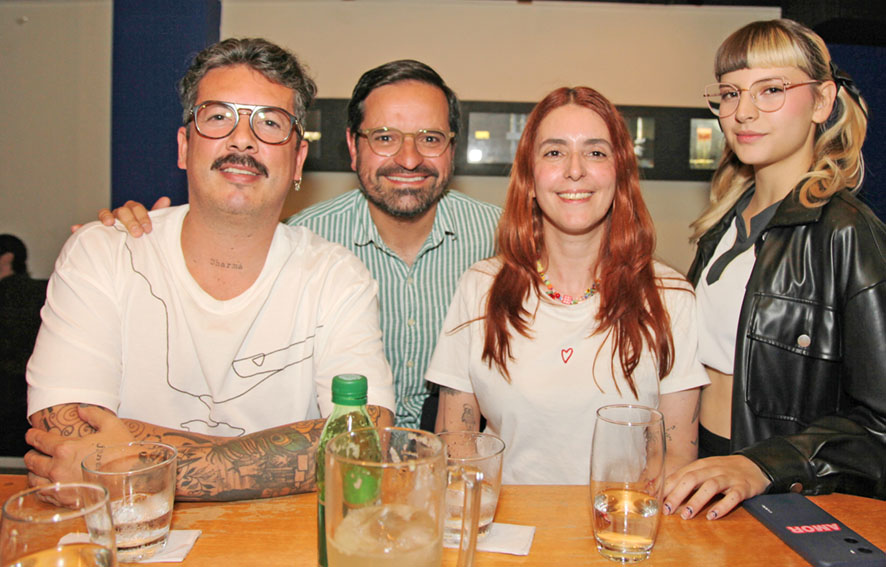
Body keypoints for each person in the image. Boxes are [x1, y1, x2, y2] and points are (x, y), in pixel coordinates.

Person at [24, 38, 395, 501]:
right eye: (218, 117)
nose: (242, 139)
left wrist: (131, 464)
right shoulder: (102, 254)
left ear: (298, 160)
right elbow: (64, 426)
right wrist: (286, 458)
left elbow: (366, 437)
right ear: (184, 146)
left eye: (271, 123)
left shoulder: (337, 277)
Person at [99, 60, 501, 430]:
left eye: (430, 138)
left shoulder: (504, 239)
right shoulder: (302, 243)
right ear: (352, 145)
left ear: (452, 148)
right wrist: (137, 240)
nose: (409, 159)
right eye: (384, 137)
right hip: (336, 467)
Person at [426, 86, 709, 485]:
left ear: (621, 171)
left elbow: (675, 456)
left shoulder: (670, 297)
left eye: (596, 152)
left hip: (618, 531)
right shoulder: (481, 288)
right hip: (500, 532)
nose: (575, 170)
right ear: (529, 174)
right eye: (555, 152)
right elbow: (456, 444)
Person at [663, 19, 886, 521]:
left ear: (823, 101)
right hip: (702, 471)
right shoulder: (723, 224)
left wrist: (761, 466)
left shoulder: (847, 233)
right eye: (730, 93)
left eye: (771, 90)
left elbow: (881, 423)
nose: (743, 112)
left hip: (785, 494)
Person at [0, 235, 46, 456]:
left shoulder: (7, 294)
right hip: (35, 397)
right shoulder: (42, 291)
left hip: (9, 394)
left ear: (7, 257)